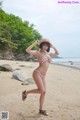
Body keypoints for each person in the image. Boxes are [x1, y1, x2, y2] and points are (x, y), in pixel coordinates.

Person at [22, 38, 59, 116]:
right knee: (42, 91)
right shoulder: (38, 53)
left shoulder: (48, 54)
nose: (45, 47)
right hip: (37, 73)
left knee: (44, 92)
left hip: (43, 76)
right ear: (41, 45)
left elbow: (57, 53)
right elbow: (27, 50)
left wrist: (53, 47)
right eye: (44, 45)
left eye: (47, 45)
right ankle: (26, 92)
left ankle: (41, 109)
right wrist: (35, 43)